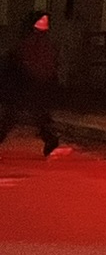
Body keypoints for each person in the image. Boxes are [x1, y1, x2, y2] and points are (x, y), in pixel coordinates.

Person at [0, 11, 63, 156]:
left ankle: (50, 138)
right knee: (29, 114)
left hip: (30, 85)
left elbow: (35, 63)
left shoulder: (35, 43)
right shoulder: (36, 43)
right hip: (31, 85)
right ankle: (50, 138)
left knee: (15, 115)